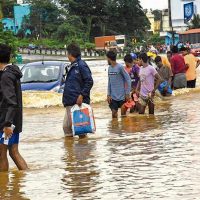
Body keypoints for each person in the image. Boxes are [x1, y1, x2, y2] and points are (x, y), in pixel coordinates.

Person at [0, 44, 28, 172]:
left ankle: (3, 188)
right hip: (14, 120)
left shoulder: (6, 76)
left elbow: (11, 102)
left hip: (7, 122)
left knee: (2, 155)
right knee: (13, 152)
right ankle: (26, 175)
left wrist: (7, 124)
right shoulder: (12, 72)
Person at [62, 43, 93, 138]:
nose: (67, 55)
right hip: (70, 102)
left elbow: (89, 81)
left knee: (81, 129)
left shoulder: (81, 65)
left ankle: (83, 151)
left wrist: (82, 95)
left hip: (78, 102)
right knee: (66, 127)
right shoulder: (71, 66)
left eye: (67, 53)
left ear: (70, 54)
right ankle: (70, 152)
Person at [107, 51, 131, 118]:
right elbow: (109, 82)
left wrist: (127, 93)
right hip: (113, 96)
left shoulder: (120, 67)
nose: (107, 60)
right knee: (114, 115)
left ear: (109, 58)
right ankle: (115, 128)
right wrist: (108, 94)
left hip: (122, 96)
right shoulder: (109, 68)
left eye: (107, 59)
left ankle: (124, 128)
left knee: (123, 115)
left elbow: (128, 79)